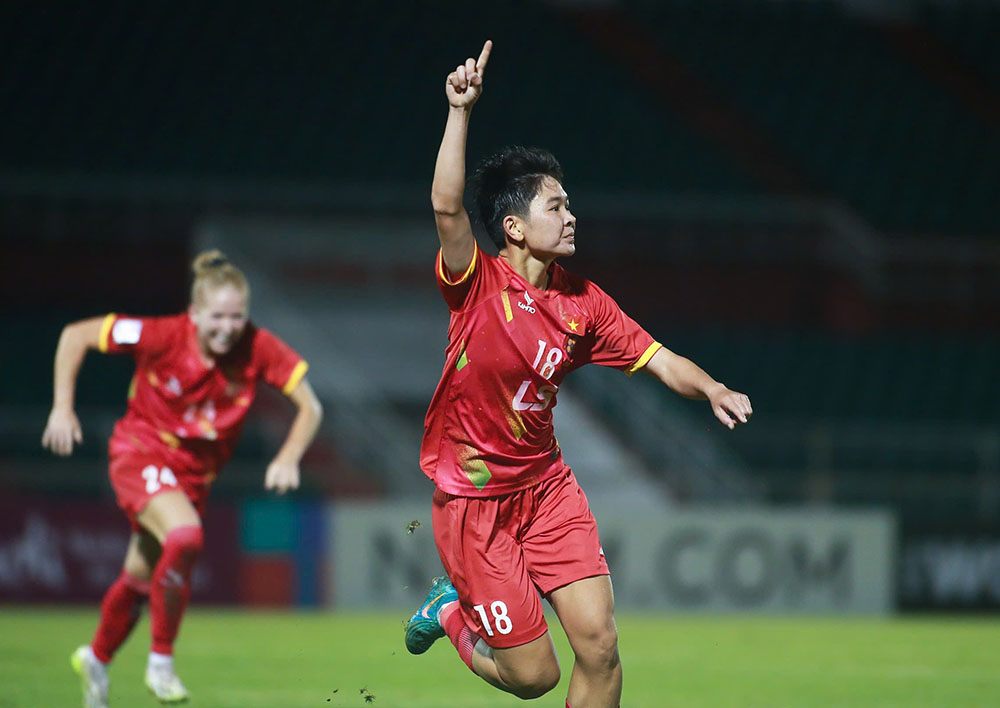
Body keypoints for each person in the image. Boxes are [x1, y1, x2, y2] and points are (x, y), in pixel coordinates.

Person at [403, 41, 753, 708]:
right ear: (512, 225)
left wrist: (711, 387)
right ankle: (450, 612)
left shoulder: (584, 303)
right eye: (556, 206)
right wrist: (458, 112)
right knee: (535, 679)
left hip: (546, 489)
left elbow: (658, 358)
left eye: (570, 206)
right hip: (475, 507)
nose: (571, 216)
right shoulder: (477, 284)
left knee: (601, 649)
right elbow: (448, 209)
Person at [42, 250, 323, 708]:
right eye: (217, 317)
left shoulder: (258, 346)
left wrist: (289, 456)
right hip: (140, 453)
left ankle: (96, 658)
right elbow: (76, 335)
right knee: (186, 535)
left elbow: (311, 406)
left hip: (191, 479)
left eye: (237, 317)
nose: (228, 328)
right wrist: (61, 406)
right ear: (193, 314)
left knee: (138, 578)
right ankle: (161, 661)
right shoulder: (160, 335)